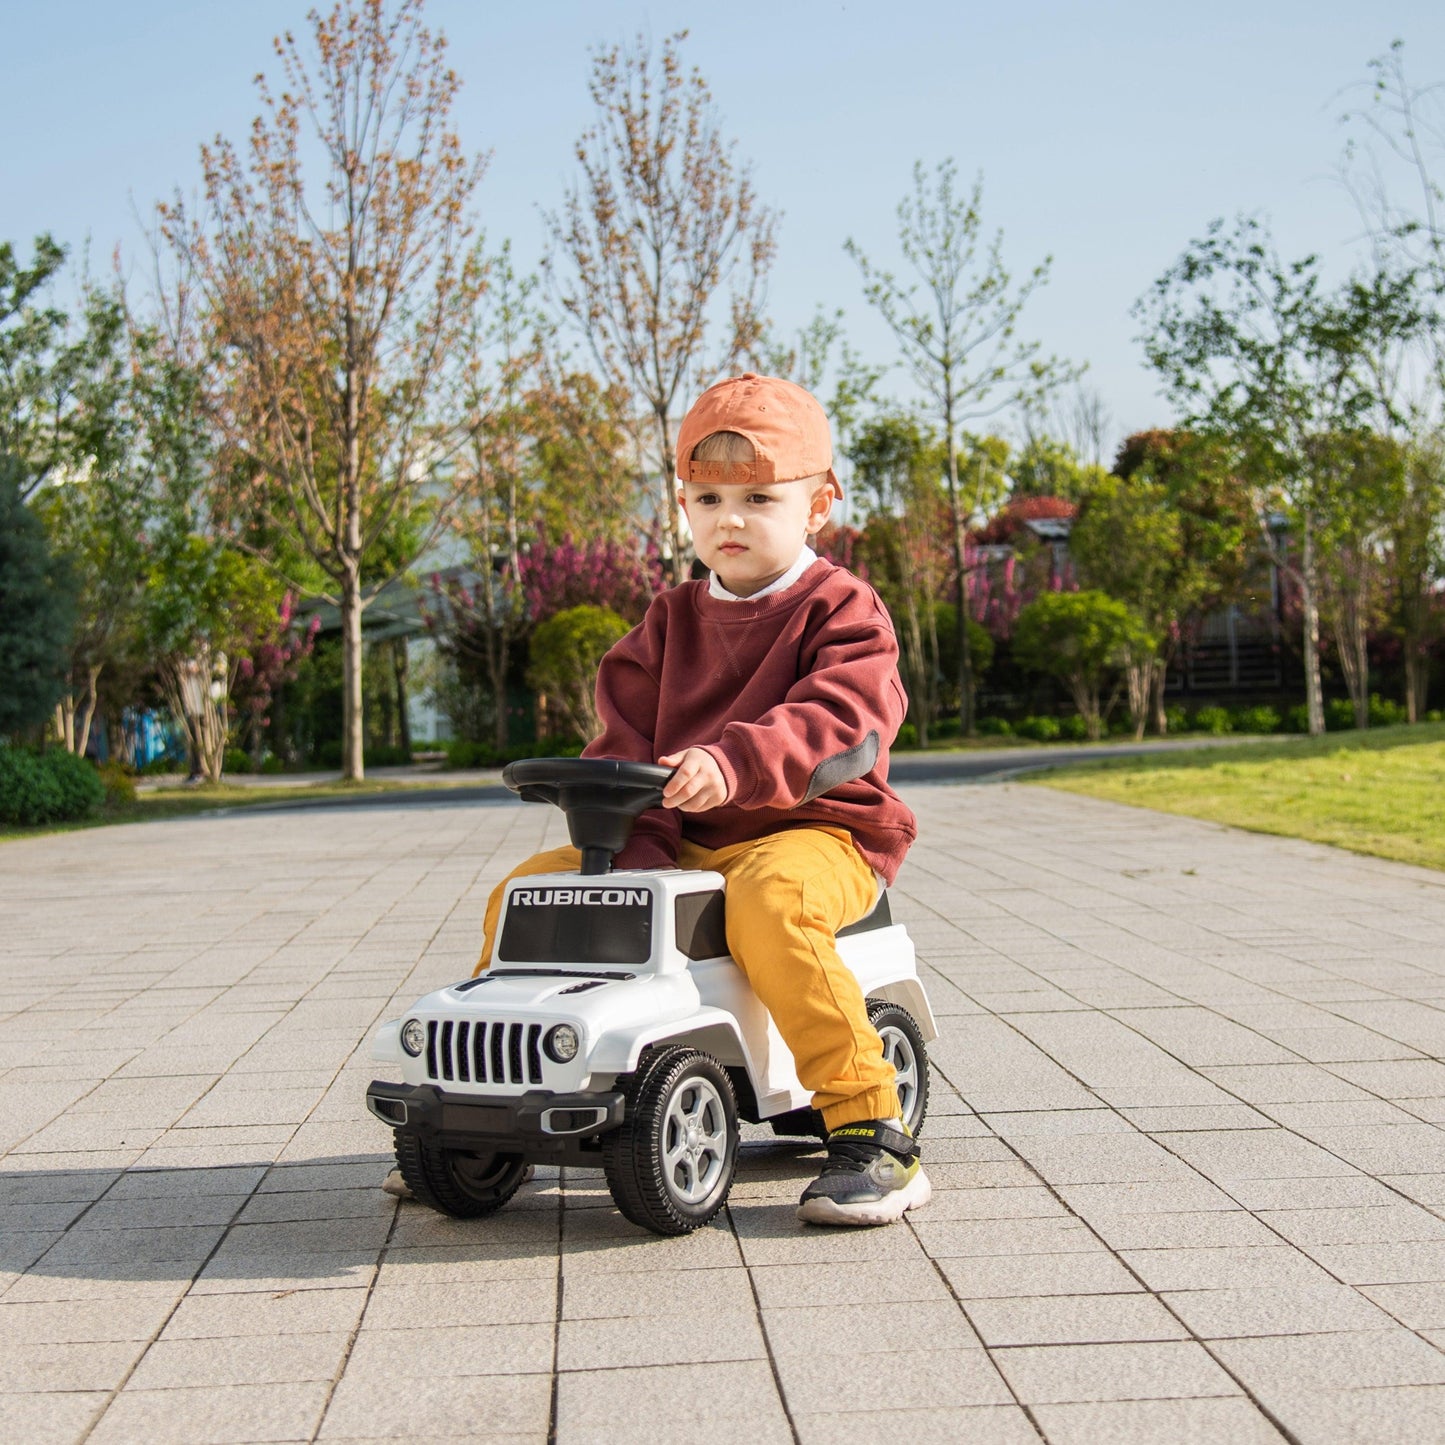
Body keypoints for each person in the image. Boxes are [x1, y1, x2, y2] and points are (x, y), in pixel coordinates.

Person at [472, 373, 928, 1227]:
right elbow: (622, 748)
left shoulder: (841, 609)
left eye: (759, 497)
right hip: (683, 840)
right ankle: (496, 1106)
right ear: (680, 500)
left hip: (817, 831)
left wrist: (735, 761)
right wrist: (624, 863)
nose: (731, 518)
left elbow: (846, 720)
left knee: (770, 901)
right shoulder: (666, 622)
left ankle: (871, 1125)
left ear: (818, 503)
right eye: (708, 496)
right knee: (532, 890)